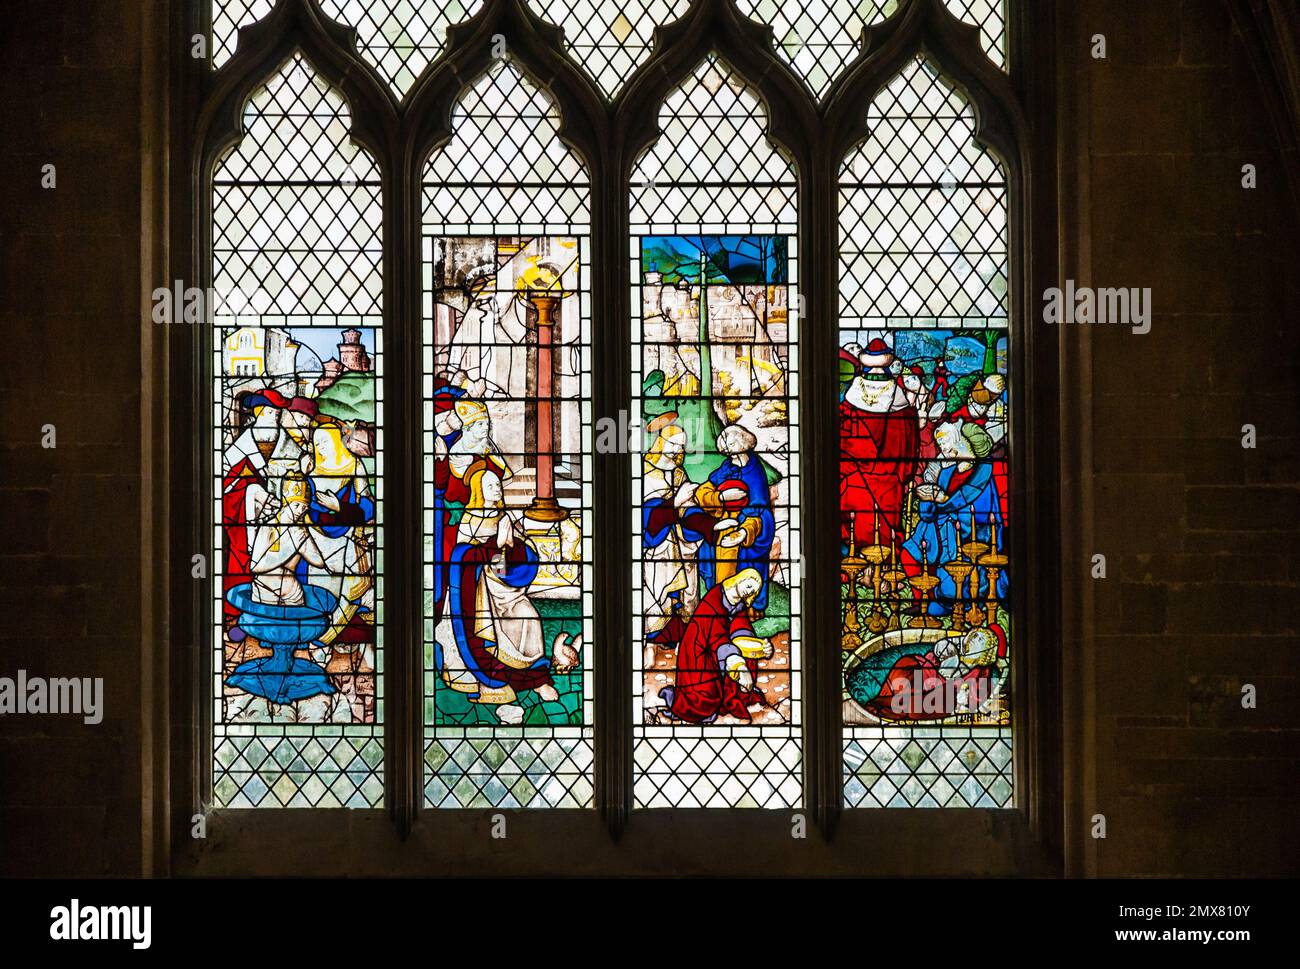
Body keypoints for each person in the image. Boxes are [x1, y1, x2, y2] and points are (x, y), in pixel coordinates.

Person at [435, 398, 558, 724]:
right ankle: (499, 684)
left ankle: (538, 676)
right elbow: (462, 561)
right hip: (476, 602)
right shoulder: (470, 522)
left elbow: (517, 563)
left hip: (504, 592)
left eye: (496, 485)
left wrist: (508, 547)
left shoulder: (503, 516)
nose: (496, 490)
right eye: (489, 486)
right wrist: (493, 551)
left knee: (528, 616)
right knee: (493, 629)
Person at [656, 569, 774, 724]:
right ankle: (673, 698)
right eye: (749, 584)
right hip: (697, 650)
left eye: (753, 590)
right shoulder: (715, 599)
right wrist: (738, 666)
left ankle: (737, 693)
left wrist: (760, 648)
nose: (748, 591)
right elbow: (716, 638)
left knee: (747, 657)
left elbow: (740, 627)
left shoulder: (737, 603)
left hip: (715, 649)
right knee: (706, 701)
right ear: (740, 579)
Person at [839, 338, 922, 551]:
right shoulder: (899, 397)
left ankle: (858, 558)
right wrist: (904, 471)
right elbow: (907, 440)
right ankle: (886, 563)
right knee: (886, 509)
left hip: (853, 473)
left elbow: (841, 436)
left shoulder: (851, 396)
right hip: (889, 475)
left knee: (854, 504)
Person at [685, 424, 776, 611]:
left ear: (742, 443)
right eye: (726, 447)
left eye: (731, 444)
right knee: (718, 562)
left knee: (745, 563)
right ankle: (719, 605)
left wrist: (745, 531)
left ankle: (745, 608)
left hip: (746, 528)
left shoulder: (755, 471)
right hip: (723, 523)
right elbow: (704, 490)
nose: (729, 451)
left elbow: (760, 509)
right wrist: (720, 498)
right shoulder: (726, 468)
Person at [641, 419, 701, 650]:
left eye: (682, 446)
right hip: (655, 546)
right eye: (675, 444)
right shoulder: (642, 473)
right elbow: (643, 516)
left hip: (679, 542)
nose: (679, 450)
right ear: (661, 443)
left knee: (681, 593)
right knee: (658, 592)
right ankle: (651, 641)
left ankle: (676, 639)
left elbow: (688, 510)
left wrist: (705, 524)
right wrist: (674, 502)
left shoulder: (678, 474)